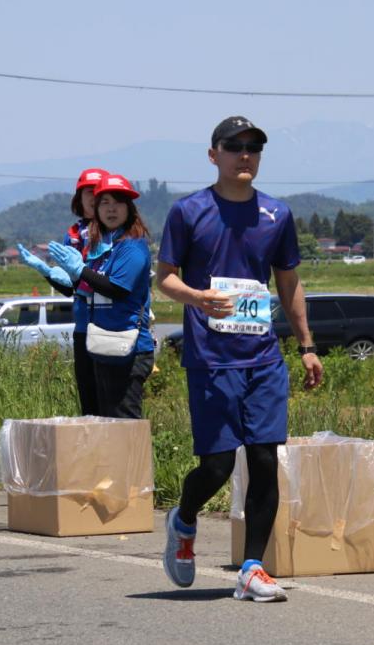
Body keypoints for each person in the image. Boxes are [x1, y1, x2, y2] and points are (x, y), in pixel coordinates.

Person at [156, 116, 323, 603]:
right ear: (214, 155)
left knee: (265, 460)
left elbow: (289, 283)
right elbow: (163, 277)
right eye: (234, 146)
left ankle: (252, 569)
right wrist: (196, 297)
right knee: (216, 465)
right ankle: (183, 520)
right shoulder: (189, 211)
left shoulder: (276, 214)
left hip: (263, 356)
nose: (244, 154)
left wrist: (307, 346)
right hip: (210, 357)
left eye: (253, 147)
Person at [48, 173, 154, 419]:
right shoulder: (105, 246)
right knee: (103, 420)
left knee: (124, 422)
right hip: (104, 344)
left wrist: (81, 271)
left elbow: (117, 288)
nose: (111, 209)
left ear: (129, 208)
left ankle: (132, 460)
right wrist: (57, 275)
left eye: (118, 202)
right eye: (104, 202)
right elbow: (85, 289)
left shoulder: (132, 245)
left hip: (129, 347)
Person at [18, 167, 105, 415]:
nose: (93, 197)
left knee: (111, 400)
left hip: (110, 325)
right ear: (79, 197)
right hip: (82, 327)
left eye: (98, 192)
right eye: (88, 192)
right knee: (88, 401)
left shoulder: (116, 233)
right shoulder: (74, 235)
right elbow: (71, 288)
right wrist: (46, 271)